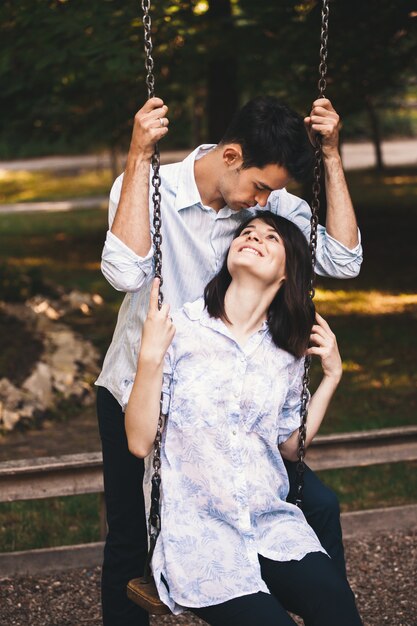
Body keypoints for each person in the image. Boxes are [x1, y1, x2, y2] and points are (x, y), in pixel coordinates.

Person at [95, 95, 363, 625]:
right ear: (233, 156)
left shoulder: (266, 208)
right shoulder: (154, 187)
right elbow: (125, 274)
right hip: (141, 386)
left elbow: (341, 259)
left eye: (273, 194)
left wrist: (331, 156)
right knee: (129, 542)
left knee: (320, 505)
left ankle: (294, 591)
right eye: (261, 187)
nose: (263, 204)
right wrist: (137, 155)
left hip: (231, 398)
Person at [125, 211, 363, 625]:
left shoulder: (285, 351)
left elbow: (290, 444)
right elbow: (139, 442)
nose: (253, 237)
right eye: (247, 232)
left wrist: (332, 377)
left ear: (288, 273)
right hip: (201, 539)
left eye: (271, 237)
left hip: (271, 526)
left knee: (336, 603)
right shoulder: (178, 329)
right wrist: (149, 355)